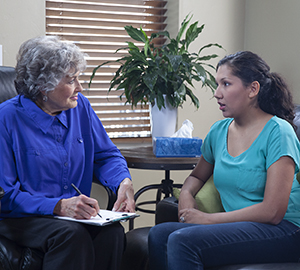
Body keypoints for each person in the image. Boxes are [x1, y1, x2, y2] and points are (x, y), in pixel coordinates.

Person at [148, 51, 300, 269]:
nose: (217, 93)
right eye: (217, 84)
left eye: (226, 84)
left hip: (285, 230)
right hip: (240, 226)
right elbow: (197, 176)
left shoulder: (278, 131)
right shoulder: (219, 132)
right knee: (159, 234)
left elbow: (272, 212)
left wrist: (206, 219)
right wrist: (187, 198)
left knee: (183, 241)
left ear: (253, 89)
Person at [0, 36, 135, 270]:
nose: (80, 88)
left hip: (68, 216)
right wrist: (58, 206)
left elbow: (106, 155)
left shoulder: (80, 106)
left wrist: (122, 182)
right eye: (71, 80)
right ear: (44, 86)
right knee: (71, 235)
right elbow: (6, 195)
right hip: (20, 216)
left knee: (112, 232)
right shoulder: (6, 119)